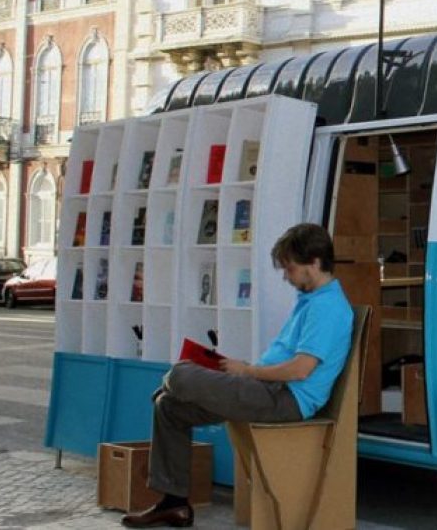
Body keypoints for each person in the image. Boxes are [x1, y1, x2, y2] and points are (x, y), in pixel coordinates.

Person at [121, 223, 353, 528]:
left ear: (314, 262)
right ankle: (175, 504)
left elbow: (301, 370)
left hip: (286, 398)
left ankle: (174, 384)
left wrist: (247, 371)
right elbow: (289, 360)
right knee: (169, 407)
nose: (286, 276)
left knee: (180, 376)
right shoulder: (312, 301)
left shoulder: (329, 308)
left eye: (290, 268)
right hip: (268, 388)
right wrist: (246, 370)